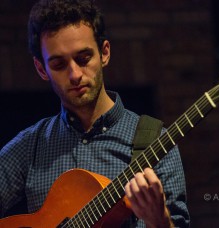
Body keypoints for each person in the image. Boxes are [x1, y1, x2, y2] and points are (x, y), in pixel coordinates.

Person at [0, 0, 190, 227]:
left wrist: (160, 221)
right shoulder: (30, 146)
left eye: (83, 58)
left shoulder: (156, 141)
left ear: (104, 53)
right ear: (42, 69)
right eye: (59, 64)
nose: (75, 74)